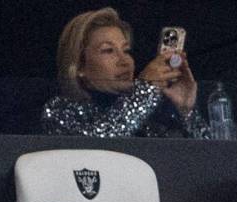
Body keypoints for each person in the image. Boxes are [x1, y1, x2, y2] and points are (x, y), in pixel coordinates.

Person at [41, 7, 210, 138]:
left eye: (126, 51)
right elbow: (96, 147)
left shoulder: (151, 112)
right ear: (79, 67)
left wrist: (187, 112)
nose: (124, 61)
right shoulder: (59, 110)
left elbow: (214, 163)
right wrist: (144, 90)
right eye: (108, 51)